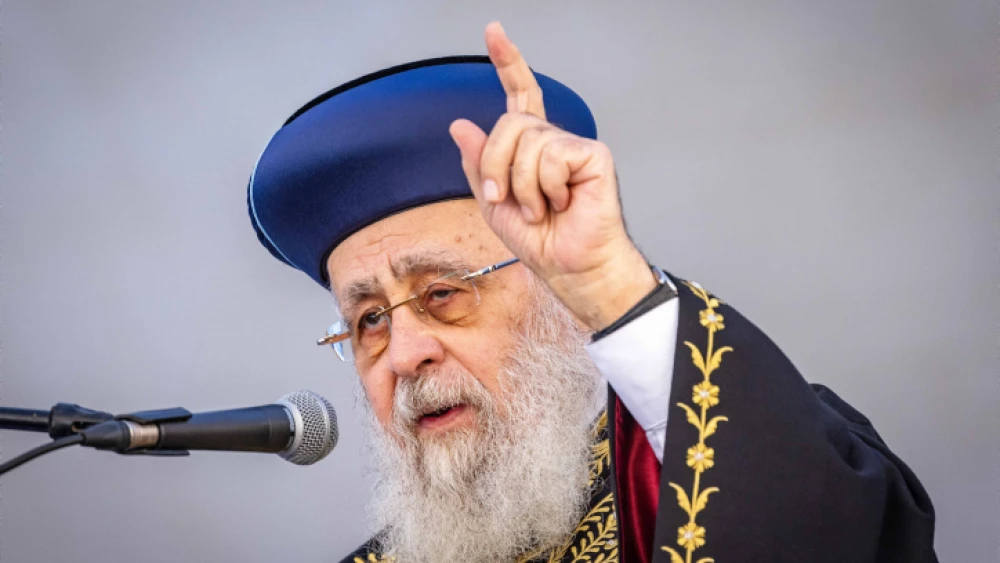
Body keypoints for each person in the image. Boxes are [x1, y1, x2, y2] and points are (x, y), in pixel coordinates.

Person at [247, 22, 937, 563]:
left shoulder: (676, 488)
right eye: (368, 319)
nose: (405, 352)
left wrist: (609, 286)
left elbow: (836, 533)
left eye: (443, 294)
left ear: (556, 301)